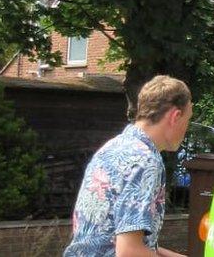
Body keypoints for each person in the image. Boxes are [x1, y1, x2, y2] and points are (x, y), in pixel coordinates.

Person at [64, 75, 192, 257]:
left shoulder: (113, 148)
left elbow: (115, 240)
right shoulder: (145, 162)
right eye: (187, 121)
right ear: (175, 116)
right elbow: (129, 252)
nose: (186, 130)